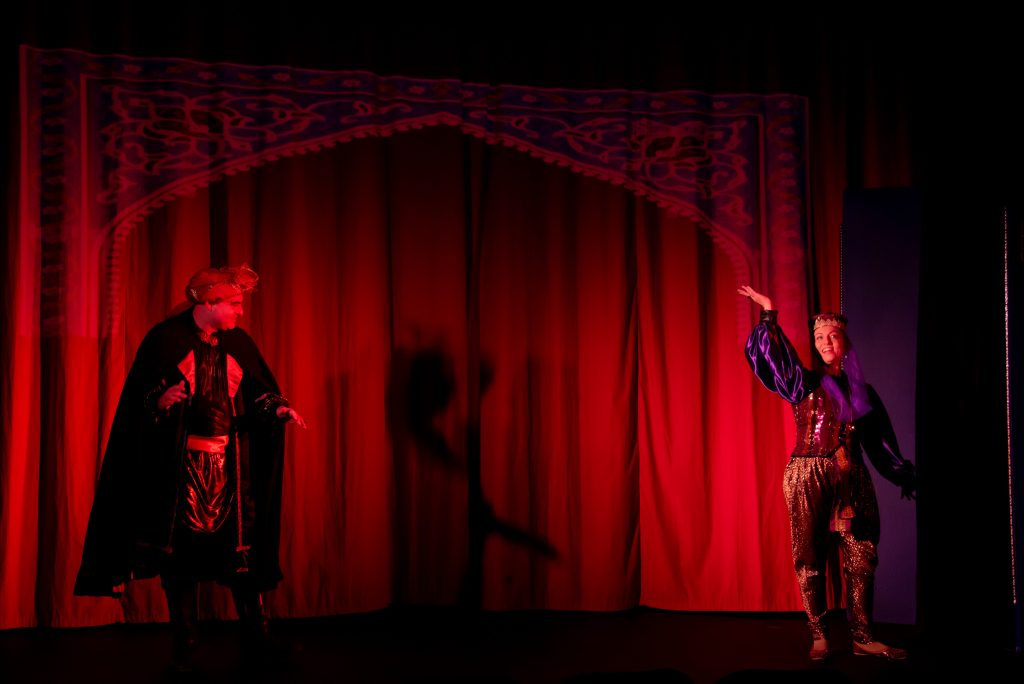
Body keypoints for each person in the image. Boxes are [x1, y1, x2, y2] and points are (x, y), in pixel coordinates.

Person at [75, 264, 306, 673]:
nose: (240, 312)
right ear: (210, 302)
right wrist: (159, 401)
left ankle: (258, 639)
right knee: (180, 559)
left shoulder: (238, 343)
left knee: (241, 555)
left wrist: (278, 409)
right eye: (234, 304)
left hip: (230, 470)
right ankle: (186, 646)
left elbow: (258, 391)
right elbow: (139, 402)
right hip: (180, 472)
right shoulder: (167, 340)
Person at [738, 285, 915, 661]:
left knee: (862, 557)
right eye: (819, 337)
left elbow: (879, 440)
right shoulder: (803, 382)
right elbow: (773, 358)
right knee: (809, 557)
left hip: (852, 478)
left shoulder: (863, 393)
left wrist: (901, 473)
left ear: (845, 341)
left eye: (832, 335)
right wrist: (769, 312)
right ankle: (819, 635)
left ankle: (863, 637)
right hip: (809, 474)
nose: (825, 342)